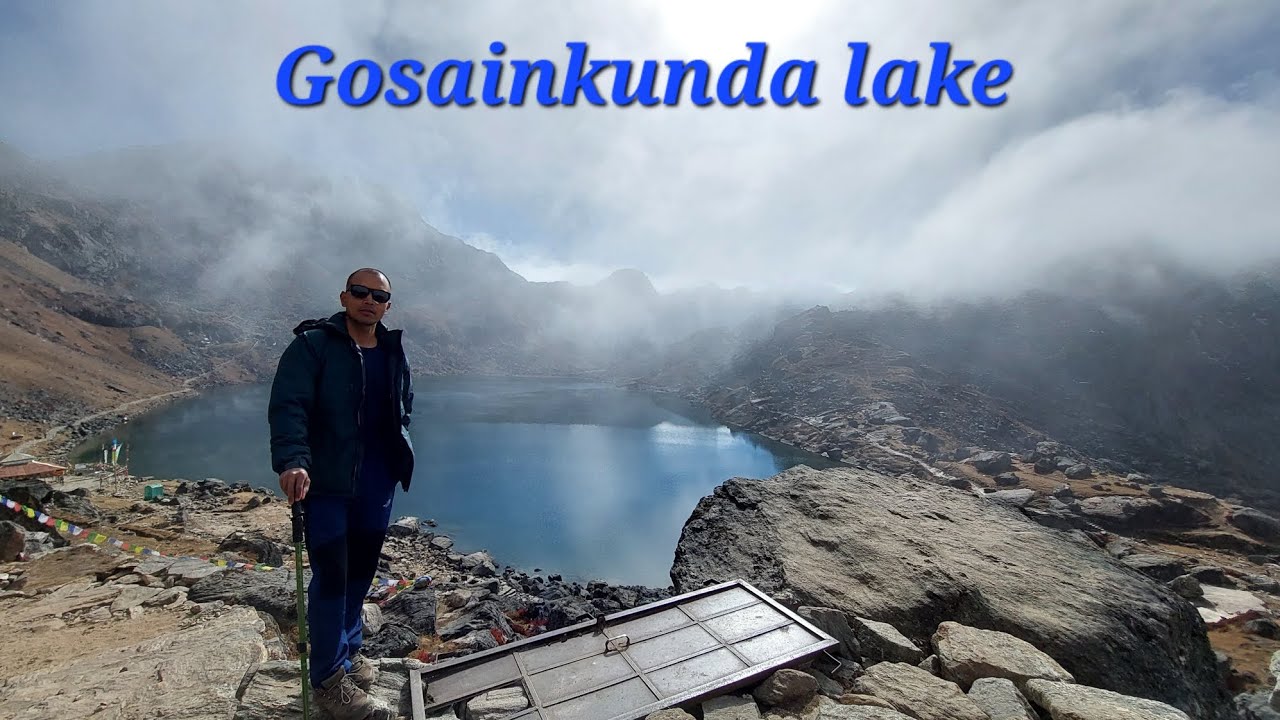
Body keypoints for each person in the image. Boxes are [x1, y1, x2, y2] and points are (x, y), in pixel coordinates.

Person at [268, 268, 415, 719]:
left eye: (379, 295)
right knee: (332, 578)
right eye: (360, 292)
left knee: (360, 576)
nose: (369, 300)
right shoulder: (313, 346)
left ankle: (349, 654)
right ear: (344, 297)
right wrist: (294, 459)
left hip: (376, 484)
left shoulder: (391, 351)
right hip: (328, 484)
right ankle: (329, 679)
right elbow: (289, 405)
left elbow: (405, 406)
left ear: (388, 305)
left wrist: (399, 448)